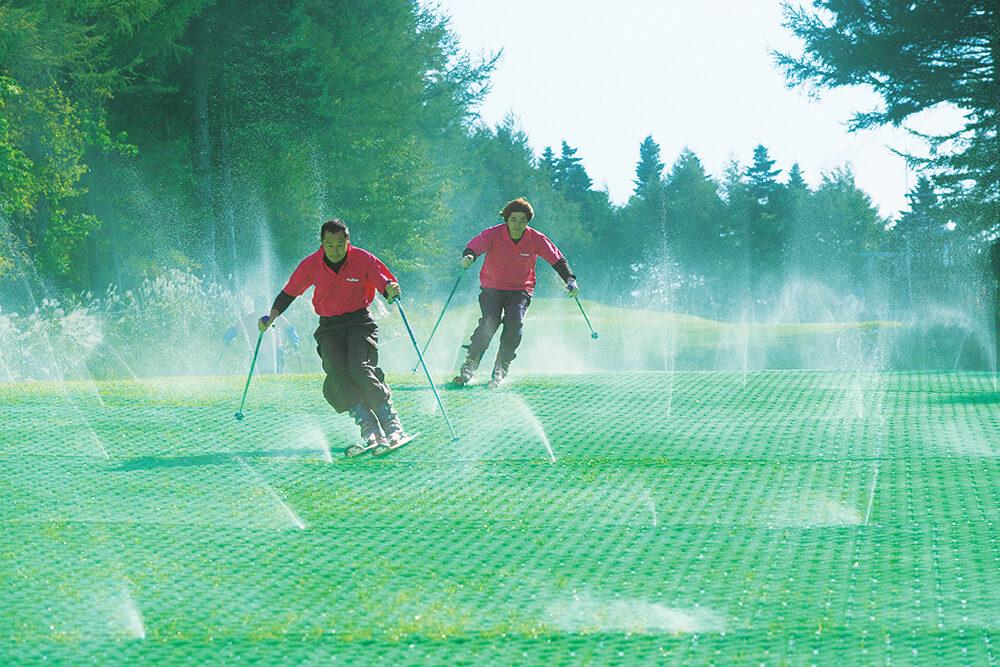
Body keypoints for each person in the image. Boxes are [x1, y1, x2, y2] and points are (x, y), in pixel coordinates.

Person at [260, 219, 406, 455]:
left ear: (348, 242)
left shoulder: (363, 259)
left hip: (359, 322)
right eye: (330, 245)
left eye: (340, 244)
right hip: (329, 326)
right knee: (336, 372)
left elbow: (384, 282)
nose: (335, 250)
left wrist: (390, 289)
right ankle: (369, 429)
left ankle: (391, 426)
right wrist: (272, 316)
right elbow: (289, 292)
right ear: (322, 243)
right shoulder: (311, 264)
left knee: (359, 367)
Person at [452, 197, 579, 388]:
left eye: (522, 220)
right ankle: (469, 366)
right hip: (492, 287)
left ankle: (500, 369)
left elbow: (557, 259)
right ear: (506, 219)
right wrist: (468, 257)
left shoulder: (536, 238)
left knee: (514, 323)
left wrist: (570, 279)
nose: (518, 224)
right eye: (513, 219)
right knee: (490, 321)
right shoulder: (493, 234)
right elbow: (473, 247)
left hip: (520, 290)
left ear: (528, 221)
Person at [223, 298, 299, 374]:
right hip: (258, 355)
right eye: (259, 306)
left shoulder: (275, 317)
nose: (262, 309)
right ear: (255, 307)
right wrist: (229, 336)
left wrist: (294, 339)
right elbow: (237, 328)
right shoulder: (250, 318)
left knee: (276, 376)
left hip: (275, 353)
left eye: (263, 306)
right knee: (259, 376)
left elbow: (289, 328)